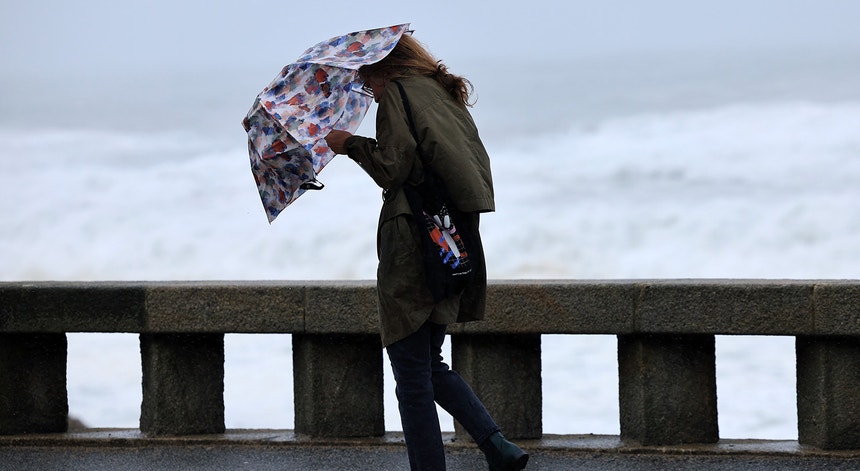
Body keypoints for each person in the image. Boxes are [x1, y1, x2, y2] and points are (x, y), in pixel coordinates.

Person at [325, 33, 529, 471]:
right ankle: (498, 447)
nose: (369, 91)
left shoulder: (398, 92)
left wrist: (351, 145)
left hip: (413, 242)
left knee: (411, 376)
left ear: (385, 69)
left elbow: (393, 167)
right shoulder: (441, 93)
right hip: (450, 238)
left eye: (367, 81)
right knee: (428, 361)